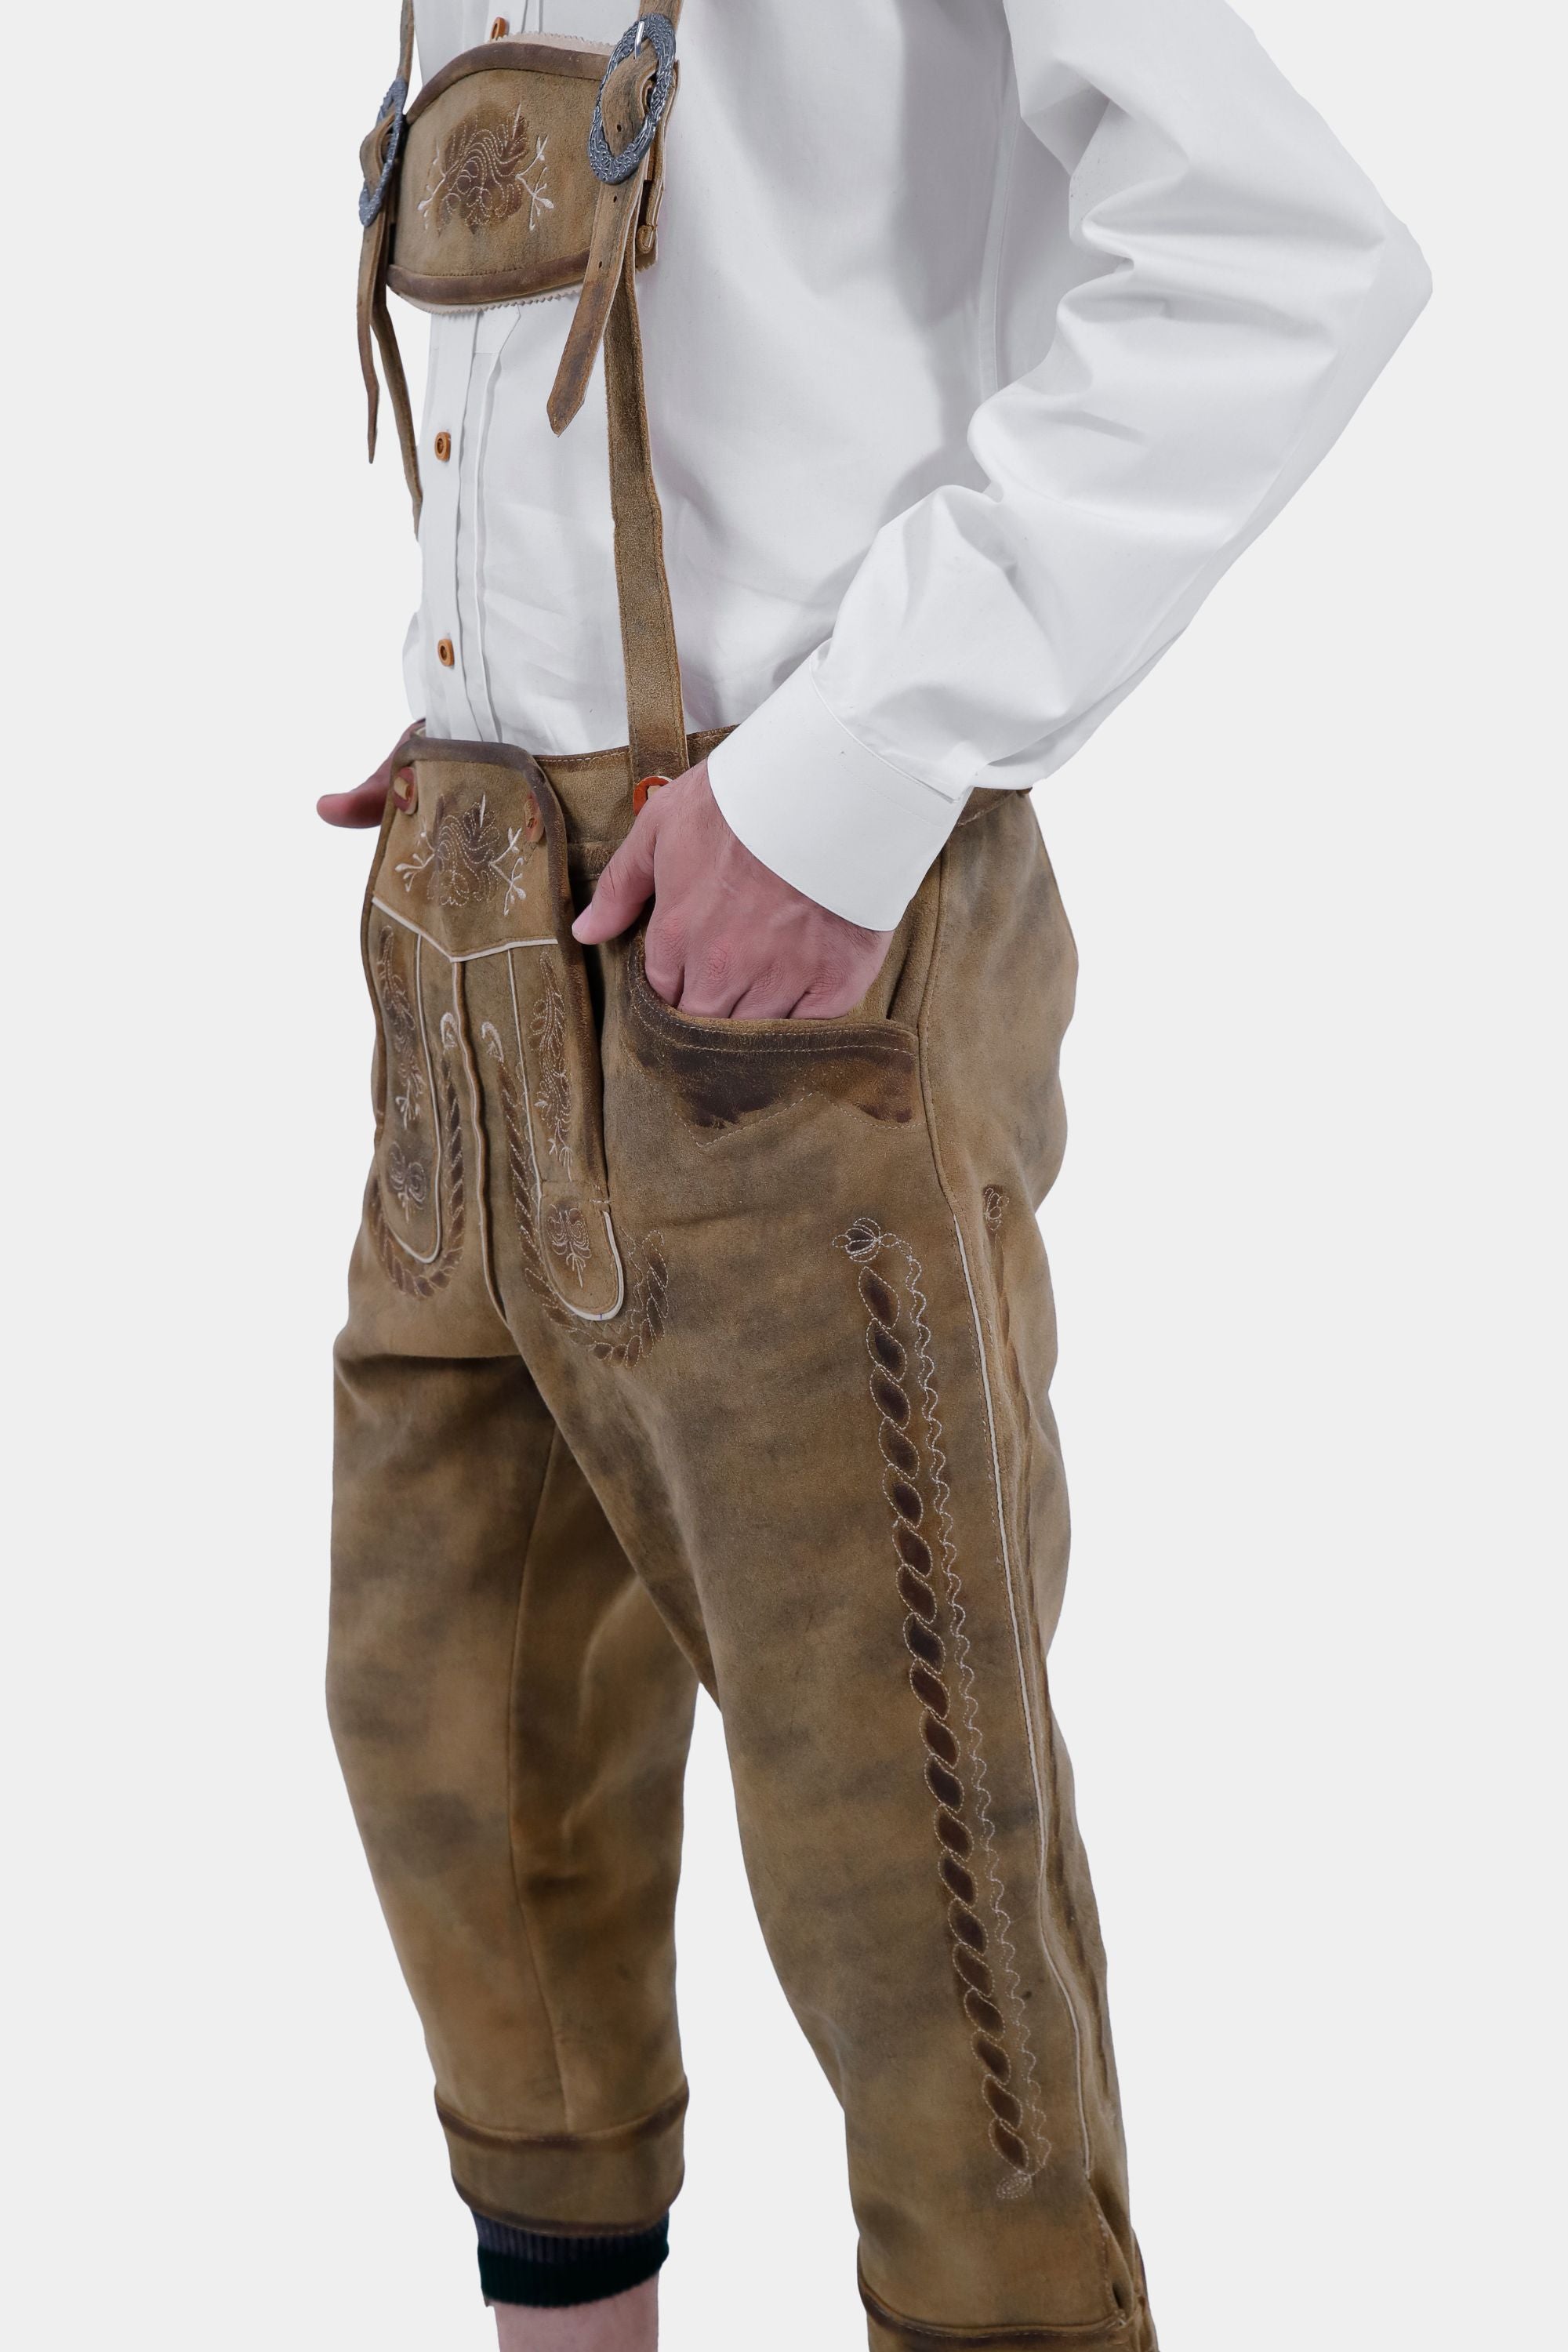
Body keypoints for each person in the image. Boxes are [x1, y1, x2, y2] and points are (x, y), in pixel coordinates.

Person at [320, 5, 1428, 2346]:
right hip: (480, 931)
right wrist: (475, 697)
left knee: (903, 1848)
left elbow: (1277, 251)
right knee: (456, 1743)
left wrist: (852, 769)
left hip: (792, 974)